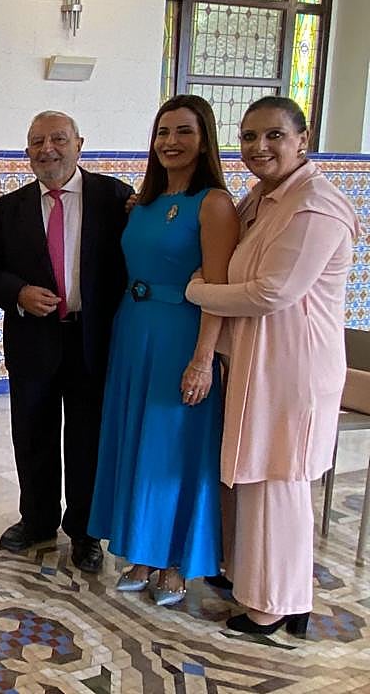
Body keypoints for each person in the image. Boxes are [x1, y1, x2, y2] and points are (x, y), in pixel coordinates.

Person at [185, 96, 357, 636]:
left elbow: (273, 291)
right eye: (249, 137)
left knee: (278, 477)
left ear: (302, 139)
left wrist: (198, 291)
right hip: (260, 359)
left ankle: (277, 603)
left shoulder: (314, 207)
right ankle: (257, 581)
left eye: (274, 136)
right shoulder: (262, 199)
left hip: (293, 365)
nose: (259, 148)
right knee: (253, 474)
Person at [88, 96, 239, 603]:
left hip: (181, 332)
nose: (170, 142)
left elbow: (216, 287)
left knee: (176, 446)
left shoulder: (214, 203)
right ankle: (145, 550)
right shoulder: (145, 202)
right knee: (140, 442)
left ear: (205, 140)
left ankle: (177, 559)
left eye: (184, 132)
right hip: (133, 330)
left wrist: (202, 360)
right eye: (162, 133)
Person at [0, 110, 132, 573]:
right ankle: (37, 519)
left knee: (87, 439)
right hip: (33, 339)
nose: (48, 150)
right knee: (33, 433)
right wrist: (17, 292)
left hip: (92, 339)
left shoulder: (114, 198)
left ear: (79, 143)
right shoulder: (9, 208)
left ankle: (84, 531)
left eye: (58, 139)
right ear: (27, 153)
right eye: (38, 142)